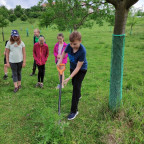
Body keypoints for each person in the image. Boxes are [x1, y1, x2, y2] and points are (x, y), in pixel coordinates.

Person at [57, 31, 87, 120]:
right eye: (71, 43)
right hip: (72, 67)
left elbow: (78, 68)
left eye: (75, 44)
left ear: (80, 41)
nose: (73, 46)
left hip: (81, 69)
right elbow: (64, 53)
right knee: (75, 84)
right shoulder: (69, 46)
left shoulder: (82, 51)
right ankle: (79, 94)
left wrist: (68, 78)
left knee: (75, 88)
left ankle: (74, 111)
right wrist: (60, 61)